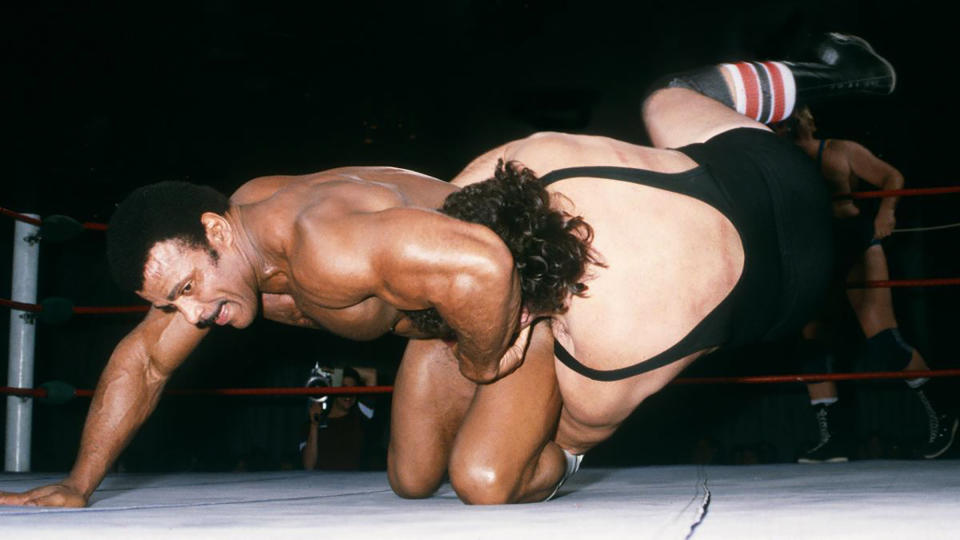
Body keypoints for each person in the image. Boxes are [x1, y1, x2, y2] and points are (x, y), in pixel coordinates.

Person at [0, 33, 889, 508]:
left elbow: (480, 268)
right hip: (583, 239)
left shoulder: (318, 245)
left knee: (485, 476)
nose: (190, 315)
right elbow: (142, 361)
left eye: (188, 290)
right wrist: (81, 485)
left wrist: (486, 360)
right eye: (175, 303)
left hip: (503, 289)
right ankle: (790, 77)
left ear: (212, 230)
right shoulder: (234, 247)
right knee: (411, 480)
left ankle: (541, 421)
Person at [387, 33, 902, 503]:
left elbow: (534, 460)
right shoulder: (538, 158)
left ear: (532, 318)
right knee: (667, 95)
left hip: (786, 294)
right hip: (773, 171)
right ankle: (843, 73)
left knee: (477, 474)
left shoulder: (606, 357)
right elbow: (452, 219)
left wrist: (494, 349)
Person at [777, 106, 958, 462]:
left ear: (811, 117)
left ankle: (944, 413)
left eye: (799, 113)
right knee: (812, 344)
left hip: (854, 243)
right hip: (814, 252)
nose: (793, 120)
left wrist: (885, 213)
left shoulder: (841, 150)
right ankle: (832, 440)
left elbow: (892, 176)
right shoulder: (778, 161)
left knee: (883, 340)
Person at [301, 367, 380, 470]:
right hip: (320, 484)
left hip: (354, 483)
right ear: (333, 390)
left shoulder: (361, 414)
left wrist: (333, 371)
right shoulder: (312, 422)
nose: (349, 394)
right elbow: (308, 465)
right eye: (343, 388)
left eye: (353, 389)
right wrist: (314, 425)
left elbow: (371, 374)